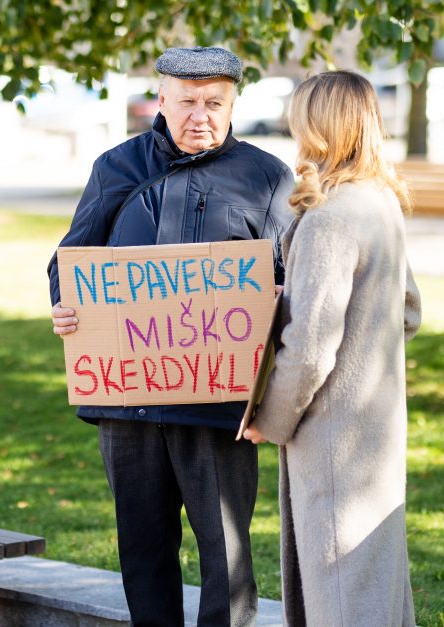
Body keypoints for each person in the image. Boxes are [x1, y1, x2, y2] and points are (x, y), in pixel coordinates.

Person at [48, 47, 294, 627]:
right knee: (143, 549)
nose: (200, 116)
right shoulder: (118, 166)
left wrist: (278, 303)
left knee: (226, 556)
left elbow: (291, 277)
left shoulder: (266, 177)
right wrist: (65, 303)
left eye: (215, 103)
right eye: (187, 102)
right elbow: (71, 258)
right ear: (161, 99)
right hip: (128, 402)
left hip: (219, 407)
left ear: (234, 103)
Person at [241, 71, 421, 626]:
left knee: (342, 596)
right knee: (374, 583)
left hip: (333, 435)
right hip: (377, 425)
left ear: (316, 127)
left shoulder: (329, 219)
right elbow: (409, 311)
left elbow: (311, 349)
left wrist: (268, 419)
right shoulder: (380, 204)